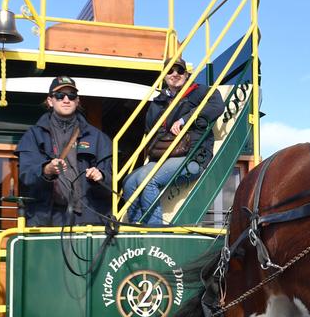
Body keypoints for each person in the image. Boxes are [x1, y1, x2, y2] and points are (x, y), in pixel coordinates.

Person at [123, 62, 222, 225]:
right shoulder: (158, 101)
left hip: (193, 156)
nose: (174, 74)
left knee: (148, 181)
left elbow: (217, 105)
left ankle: (154, 232)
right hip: (164, 155)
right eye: (169, 71)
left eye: (180, 70)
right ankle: (135, 227)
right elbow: (150, 129)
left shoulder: (199, 92)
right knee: (129, 181)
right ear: (164, 76)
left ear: (187, 74)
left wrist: (185, 119)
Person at [17, 76, 114, 226]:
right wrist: (46, 170)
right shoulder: (33, 135)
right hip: (46, 218)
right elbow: (26, 176)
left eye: (71, 95)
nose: (66, 100)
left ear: (77, 100)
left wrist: (100, 176)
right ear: (50, 101)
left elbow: (111, 183)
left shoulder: (98, 137)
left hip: (88, 220)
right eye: (60, 96)